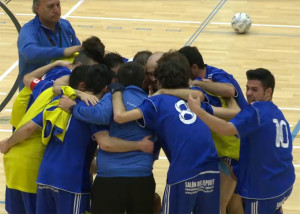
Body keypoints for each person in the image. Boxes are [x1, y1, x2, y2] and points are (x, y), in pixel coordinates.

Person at [111, 51, 221, 214]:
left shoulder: (156, 101)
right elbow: (199, 94)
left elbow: (120, 116)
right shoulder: (193, 100)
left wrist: (116, 91)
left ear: (159, 79)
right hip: (212, 168)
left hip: (185, 170)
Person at [188, 68, 295, 214]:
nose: (249, 93)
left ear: (268, 92)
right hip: (285, 182)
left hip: (263, 191)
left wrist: (198, 110)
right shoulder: (276, 111)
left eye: (255, 90)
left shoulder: (255, 112)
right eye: (247, 88)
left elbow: (225, 129)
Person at [59, 62, 157, 213]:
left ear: (116, 80)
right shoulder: (151, 101)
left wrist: (73, 107)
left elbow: (99, 115)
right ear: (143, 81)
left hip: (110, 178)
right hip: (142, 175)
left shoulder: (111, 97)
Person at [179, 46, 247, 214]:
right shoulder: (207, 81)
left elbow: (230, 90)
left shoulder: (214, 75)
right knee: (233, 205)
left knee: (218, 206)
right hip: (236, 145)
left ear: (194, 68)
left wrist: (197, 82)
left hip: (235, 146)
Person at [17, 0, 81, 89]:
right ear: (37, 8)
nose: (56, 10)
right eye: (50, 6)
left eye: (58, 5)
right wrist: (63, 51)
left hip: (62, 89)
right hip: (36, 92)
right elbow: (29, 53)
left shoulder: (65, 25)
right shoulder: (28, 30)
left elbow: (78, 52)